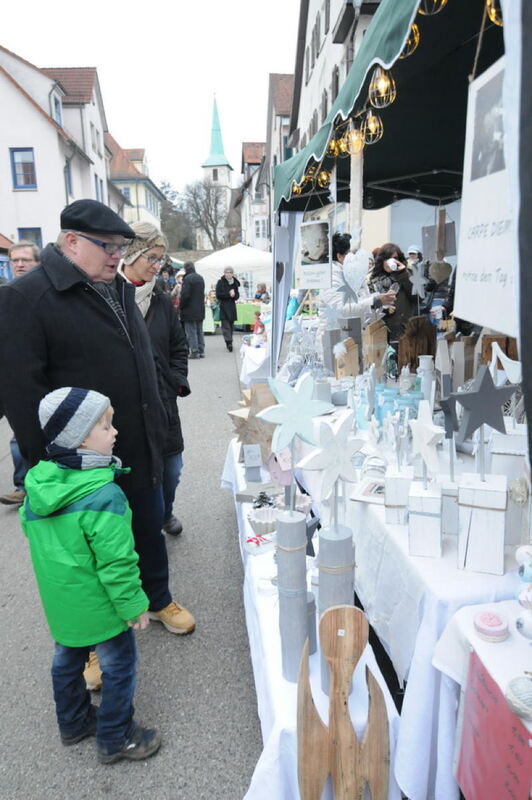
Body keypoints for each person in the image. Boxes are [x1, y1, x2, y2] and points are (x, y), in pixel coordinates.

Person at [0, 199, 195, 689]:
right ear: (70, 242)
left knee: (145, 528)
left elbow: (140, 361)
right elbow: (22, 396)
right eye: (108, 247)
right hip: (77, 463)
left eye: (122, 247)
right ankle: (88, 644)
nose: (117, 256)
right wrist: (54, 469)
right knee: (86, 556)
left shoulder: (116, 288)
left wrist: (157, 420)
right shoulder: (27, 297)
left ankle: (157, 595)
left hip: (132, 442)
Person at [20, 387, 161, 763]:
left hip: (62, 604)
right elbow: (117, 562)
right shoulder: (103, 495)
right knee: (119, 666)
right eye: (105, 425)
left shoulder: (39, 484)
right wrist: (133, 605)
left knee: (67, 661)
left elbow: (30, 530)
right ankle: (116, 737)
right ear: (81, 438)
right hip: (101, 607)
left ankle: (73, 723)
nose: (114, 432)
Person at [119, 222, 190, 537]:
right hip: (127, 408)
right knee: (136, 474)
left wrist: (176, 380)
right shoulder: (109, 297)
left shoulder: (161, 300)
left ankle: (165, 512)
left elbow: (179, 346)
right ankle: (140, 527)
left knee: (172, 470)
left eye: (160, 259)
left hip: (163, 401)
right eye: (152, 258)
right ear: (133, 254)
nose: (157, 266)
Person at [0, 241, 41, 506]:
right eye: (15, 260)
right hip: (13, 381)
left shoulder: (44, 295)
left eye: (26, 260)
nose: (20, 264)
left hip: (43, 380)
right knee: (18, 440)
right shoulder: (5, 294)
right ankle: (23, 485)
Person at [320, 233, 396, 321]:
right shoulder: (331, 278)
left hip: (354, 330)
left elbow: (361, 300)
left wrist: (381, 302)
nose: (358, 258)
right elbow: (340, 309)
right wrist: (374, 301)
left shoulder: (352, 274)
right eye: (353, 254)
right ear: (340, 256)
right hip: (335, 332)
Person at [369, 243, 414, 347]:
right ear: (381, 260)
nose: (390, 262)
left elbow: (417, 298)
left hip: (404, 330)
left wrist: (402, 273)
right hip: (381, 332)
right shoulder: (373, 280)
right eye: (387, 258)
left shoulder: (407, 275)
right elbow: (368, 306)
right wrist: (384, 309)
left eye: (394, 258)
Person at [179, 261, 206, 359]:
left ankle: (194, 351)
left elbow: (185, 295)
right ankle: (201, 350)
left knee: (191, 331)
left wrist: (181, 306)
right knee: (199, 330)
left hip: (189, 309)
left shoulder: (187, 279)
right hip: (200, 308)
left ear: (186, 268)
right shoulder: (200, 278)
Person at [216, 267, 240, 352]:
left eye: (230, 272)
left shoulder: (235, 283)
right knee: (225, 326)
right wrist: (229, 294)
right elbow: (218, 295)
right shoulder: (220, 282)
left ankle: (229, 340)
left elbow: (237, 295)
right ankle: (229, 342)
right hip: (224, 306)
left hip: (232, 306)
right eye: (227, 272)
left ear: (232, 273)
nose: (229, 274)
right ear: (224, 273)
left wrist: (234, 295)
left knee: (231, 325)